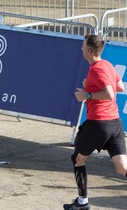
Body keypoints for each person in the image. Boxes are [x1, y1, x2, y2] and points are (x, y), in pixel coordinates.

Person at [64, 34, 127, 210]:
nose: (81, 49)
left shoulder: (97, 70)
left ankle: (82, 202)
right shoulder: (106, 64)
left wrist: (87, 95)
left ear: (90, 51)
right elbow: (119, 86)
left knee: (78, 159)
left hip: (98, 124)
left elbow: (110, 94)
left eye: (83, 47)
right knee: (122, 168)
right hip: (115, 124)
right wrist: (91, 85)